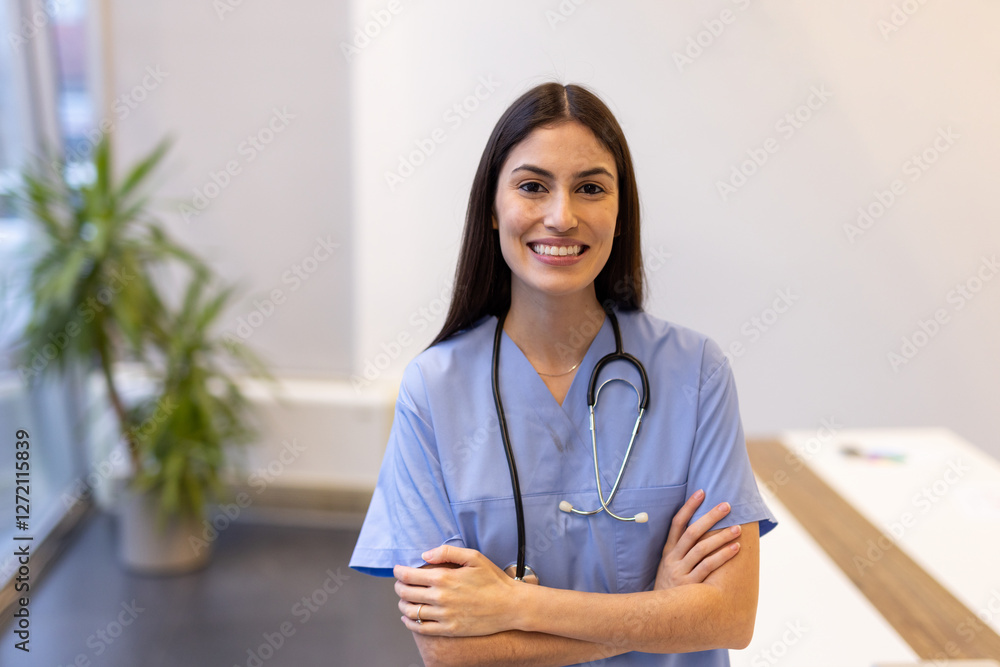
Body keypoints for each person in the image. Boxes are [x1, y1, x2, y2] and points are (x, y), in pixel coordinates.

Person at [350, 82, 777, 666]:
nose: (561, 216)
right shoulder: (435, 388)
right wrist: (661, 610)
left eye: (591, 188)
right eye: (532, 186)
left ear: (620, 213)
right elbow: (449, 649)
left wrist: (515, 606)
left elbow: (728, 616)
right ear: (492, 209)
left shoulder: (695, 372)